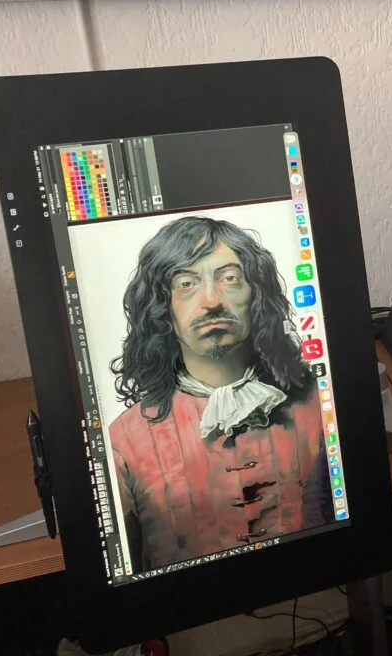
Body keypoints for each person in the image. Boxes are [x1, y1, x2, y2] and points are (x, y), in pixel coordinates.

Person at [108, 216, 329, 573]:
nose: (211, 301)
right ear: (162, 309)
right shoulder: (123, 441)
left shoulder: (320, 403)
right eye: (185, 283)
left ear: (256, 295)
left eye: (230, 279)